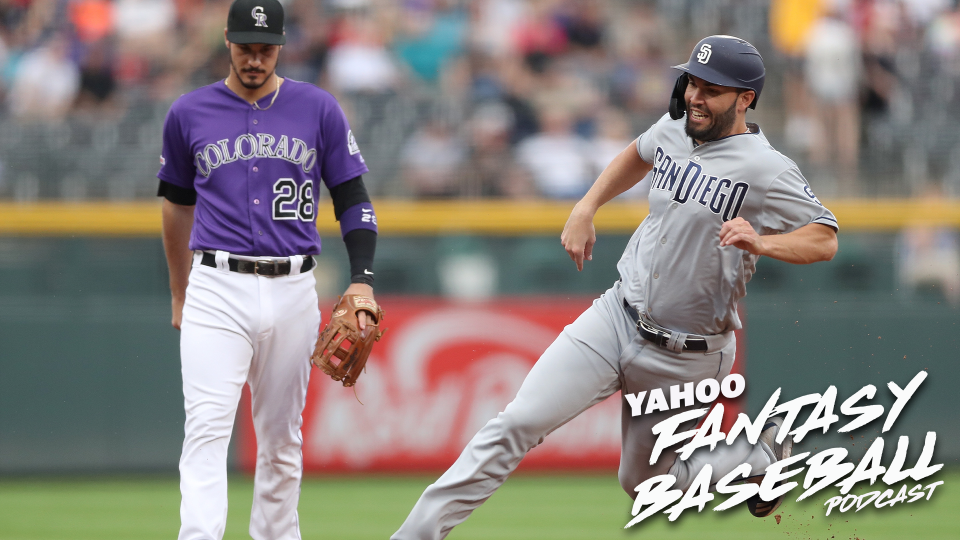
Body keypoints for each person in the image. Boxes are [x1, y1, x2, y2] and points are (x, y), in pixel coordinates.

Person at [392, 35, 838, 539]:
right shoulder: (674, 128)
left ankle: (760, 456)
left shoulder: (766, 166)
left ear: (744, 99)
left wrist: (763, 243)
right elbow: (637, 153)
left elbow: (824, 239)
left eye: (711, 89)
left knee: (647, 486)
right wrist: (587, 205)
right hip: (616, 317)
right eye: (692, 81)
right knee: (514, 424)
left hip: (687, 354)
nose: (695, 95)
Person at [157, 1, 378, 538]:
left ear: (281, 46)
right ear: (227, 43)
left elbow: (353, 198)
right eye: (244, 47)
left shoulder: (318, 108)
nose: (254, 59)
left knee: (281, 438)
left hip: (295, 287)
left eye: (265, 48)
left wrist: (362, 279)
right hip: (215, 283)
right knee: (206, 429)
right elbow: (175, 207)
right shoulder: (189, 112)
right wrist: (180, 291)